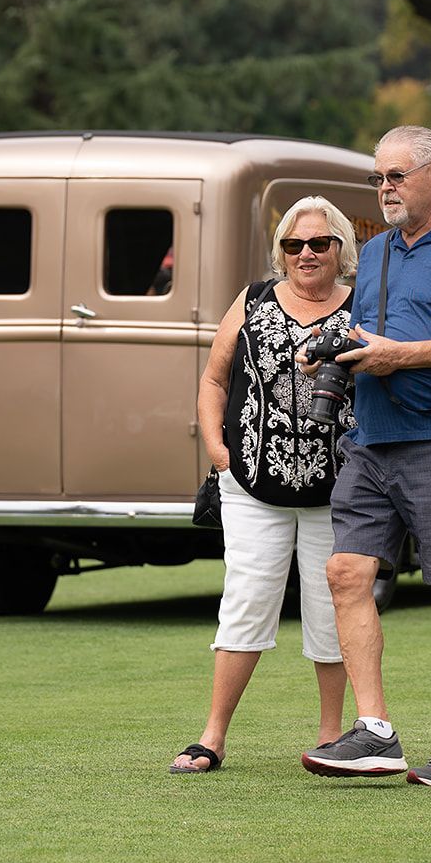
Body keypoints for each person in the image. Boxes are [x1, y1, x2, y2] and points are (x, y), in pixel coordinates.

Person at [299, 125, 431, 787]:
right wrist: (335, 354)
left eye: (396, 175)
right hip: (371, 439)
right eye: (378, 178)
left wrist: (403, 355)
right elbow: (372, 333)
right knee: (345, 572)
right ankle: (376, 731)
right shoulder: (378, 251)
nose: (384, 188)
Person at [168, 197, 359, 773]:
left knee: (333, 608)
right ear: (279, 251)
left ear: (340, 250)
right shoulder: (252, 301)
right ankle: (213, 736)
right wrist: (216, 449)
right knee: (246, 602)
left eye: (319, 244)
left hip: (337, 486)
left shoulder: (363, 308)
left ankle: (332, 735)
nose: (305, 254)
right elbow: (213, 378)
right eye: (293, 244)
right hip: (251, 480)